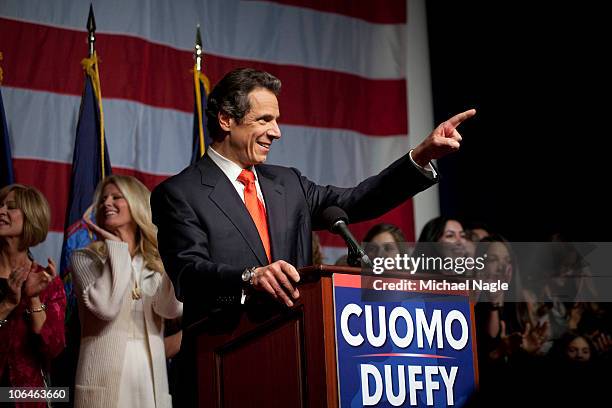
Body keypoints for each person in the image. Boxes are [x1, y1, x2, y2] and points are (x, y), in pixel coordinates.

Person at [151, 67, 474, 405]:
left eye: (276, 120)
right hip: (221, 371)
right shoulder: (180, 193)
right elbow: (188, 275)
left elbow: (356, 200)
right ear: (226, 120)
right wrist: (249, 279)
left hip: (296, 363)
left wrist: (420, 156)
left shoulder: (288, 184)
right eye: (264, 120)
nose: (276, 132)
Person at [71, 175, 182, 408]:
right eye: (103, 199)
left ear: (136, 204)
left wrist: (173, 256)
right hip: (105, 378)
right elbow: (106, 308)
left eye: (116, 197)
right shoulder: (85, 258)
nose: (107, 203)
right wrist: (117, 249)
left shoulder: (155, 260)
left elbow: (170, 309)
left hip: (149, 376)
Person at [0, 184, 65, 408]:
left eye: (11, 207)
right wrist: (8, 303)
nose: (1, 211)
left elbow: (53, 349)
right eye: (0, 206)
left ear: (31, 218)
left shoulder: (48, 282)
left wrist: (34, 298)